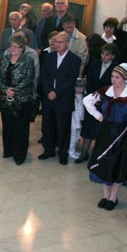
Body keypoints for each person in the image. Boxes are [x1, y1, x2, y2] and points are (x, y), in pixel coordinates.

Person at [83, 63, 127, 210]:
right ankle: (106, 194)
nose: (113, 80)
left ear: (124, 78)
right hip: (105, 131)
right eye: (112, 76)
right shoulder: (106, 91)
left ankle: (113, 197)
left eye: (117, 77)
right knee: (104, 162)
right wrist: (98, 116)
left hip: (122, 133)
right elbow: (87, 100)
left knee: (118, 164)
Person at [39, 31, 82, 164]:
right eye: (56, 41)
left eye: (60, 42)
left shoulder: (74, 59)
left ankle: (63, 153)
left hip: (63, 98)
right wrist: (48, 91)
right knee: (47, 125)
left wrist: (56, 92)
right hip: (48, 97)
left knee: (63, 127)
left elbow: (71, 80)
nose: (57, 44)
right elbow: (43, 75)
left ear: (68, 43)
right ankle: (48, 150)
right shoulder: (49, 57)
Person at [0, 33, 36, 165]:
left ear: (22, 48)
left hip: (22, 99)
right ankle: (8, 151)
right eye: (12, 46)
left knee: (21, 128)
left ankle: (19, 155)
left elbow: (28, 79)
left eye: (17, 46)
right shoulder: (5, 58)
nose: (13, 49)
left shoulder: (28, 60)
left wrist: (14, 91)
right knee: (7, 126)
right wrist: (5, 90)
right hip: (6, 98)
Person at [78, 43, 116, 163]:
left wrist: (101, 98)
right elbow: (89, 80)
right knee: (88, 129)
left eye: (107, 55)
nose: (104, 57)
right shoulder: (95, 63)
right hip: (92, 100)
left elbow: (113, 86)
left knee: (100, 131)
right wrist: (92, 97)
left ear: (113, 56)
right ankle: (83, 153)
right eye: (103, 54)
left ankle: (97, 156)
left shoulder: (115, 68)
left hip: (105, 102)